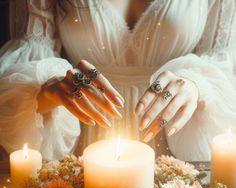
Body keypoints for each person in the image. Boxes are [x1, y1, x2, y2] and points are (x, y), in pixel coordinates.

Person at [0, 0, 235, 161]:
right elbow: (26, 58)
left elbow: (222, 63)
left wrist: (198, 85)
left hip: (179, 145)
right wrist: (48, 91)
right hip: (83, 143)